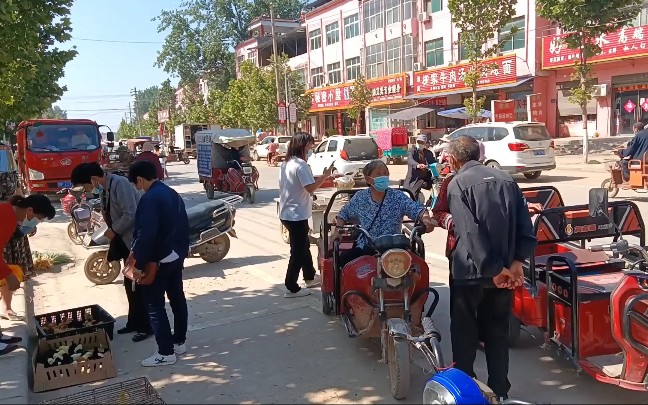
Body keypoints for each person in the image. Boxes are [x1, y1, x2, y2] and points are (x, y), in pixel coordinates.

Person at [444, 135, 537, 401]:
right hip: (505, 272)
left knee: (464, 335)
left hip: (470, 274)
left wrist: (495, 269)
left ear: (453, 159)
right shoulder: (507, 179)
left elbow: (468, 233)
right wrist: (516, 262)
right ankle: (499, 391)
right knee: (497, 333)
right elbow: (525, 227)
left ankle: (466, 392)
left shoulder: (457, 183)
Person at [70, 162, 151, 342]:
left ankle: (146, 326)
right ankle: (134, 322)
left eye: (85, 186)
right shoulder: (107, 187)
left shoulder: (120, 184)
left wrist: (113, 230)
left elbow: (130, 213)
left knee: (140, 286)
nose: (87, 190)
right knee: (129, 285)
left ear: (94, 179)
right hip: (122, 240)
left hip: (133, 239)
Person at [128, 160, 189, 367]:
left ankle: (165, 352)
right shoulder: (171, 193)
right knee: (177, 299)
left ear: (140, 179)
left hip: (159, 258)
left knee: (154, 305)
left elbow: (146, 234)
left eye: (136, 184)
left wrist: (139, 263)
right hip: (176, 255)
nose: (137, 188)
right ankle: (179, 341)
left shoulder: (149, 198)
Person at [330, 159, 435, 269]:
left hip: (395, 249)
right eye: (379, 174)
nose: (383, 176)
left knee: (418, 269)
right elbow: (343, 213)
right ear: (368, 179)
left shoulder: (398, 196)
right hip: (367, 248)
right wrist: (338, 231)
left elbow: (417, 209)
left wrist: (426, 219)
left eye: (385, 173)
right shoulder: (360, 198)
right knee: (343, 264)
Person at [0, 194, 55, 355]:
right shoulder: (6, 216)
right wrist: (8, 275)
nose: (36, 222)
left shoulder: (8, 212)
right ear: (29, 210)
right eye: (38, 218)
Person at [279, 132, 331, 298]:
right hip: (296, 214)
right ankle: (291, 286)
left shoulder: (287, 163)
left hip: (288, 212)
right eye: (309, 145)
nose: (311, 148)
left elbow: (303, 183)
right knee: (298, 250)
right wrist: (325, 175)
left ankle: (309, 276)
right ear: (302, 146)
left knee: (303, 245)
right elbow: (310, 188)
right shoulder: (301, 165)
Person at [404, 134, 437, 200]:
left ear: (425, 143)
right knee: (413, 194)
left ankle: (430, 201)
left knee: (437, 187)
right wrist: (417, 165)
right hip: (414, 178)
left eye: (422, 142)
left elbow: (433, 163)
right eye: (418, 142)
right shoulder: (412, 151)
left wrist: (430, 166)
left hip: (426, 177)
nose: (420, 144)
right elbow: (410, 160)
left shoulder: (428, 153)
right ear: (416, 142)